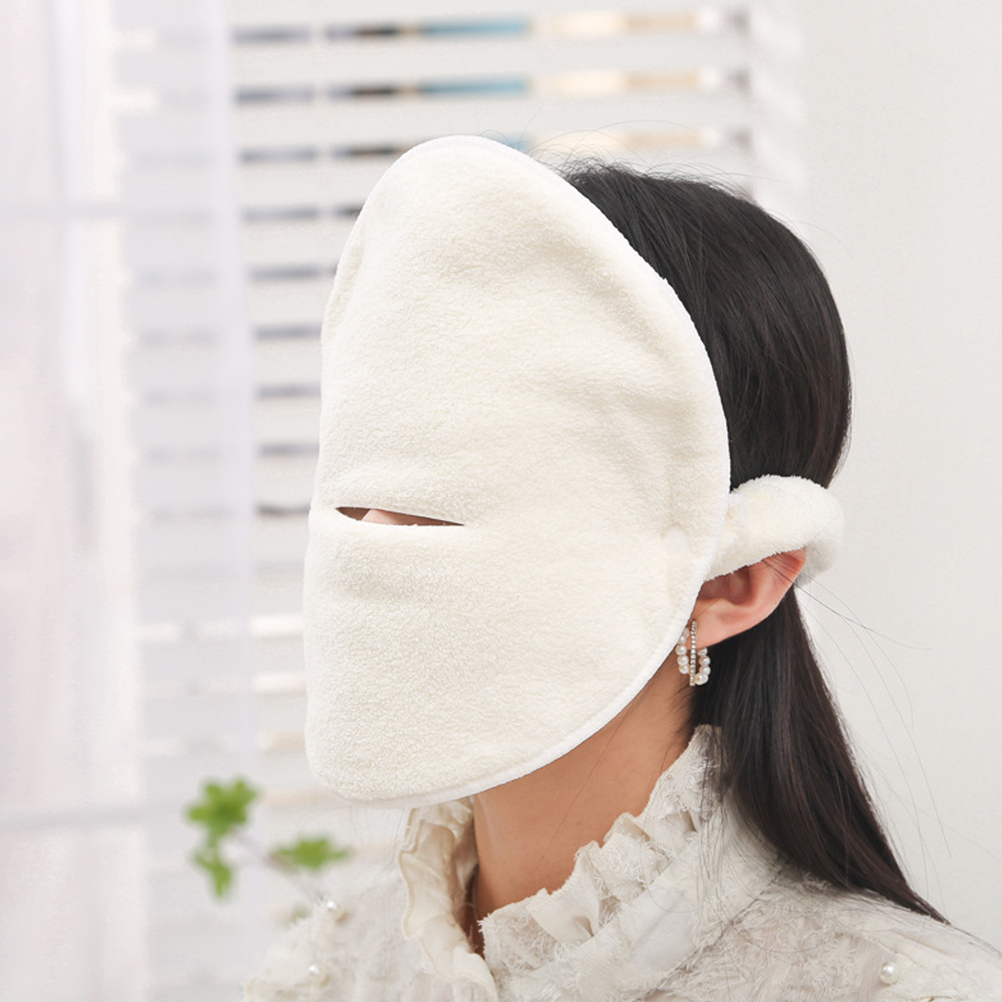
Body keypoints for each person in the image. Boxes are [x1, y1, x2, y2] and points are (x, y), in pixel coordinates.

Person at [244, 136, 1002, 1001]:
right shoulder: (317, 979)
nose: (374, 538)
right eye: (360, 494)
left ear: (733, 581)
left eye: (451, 500)